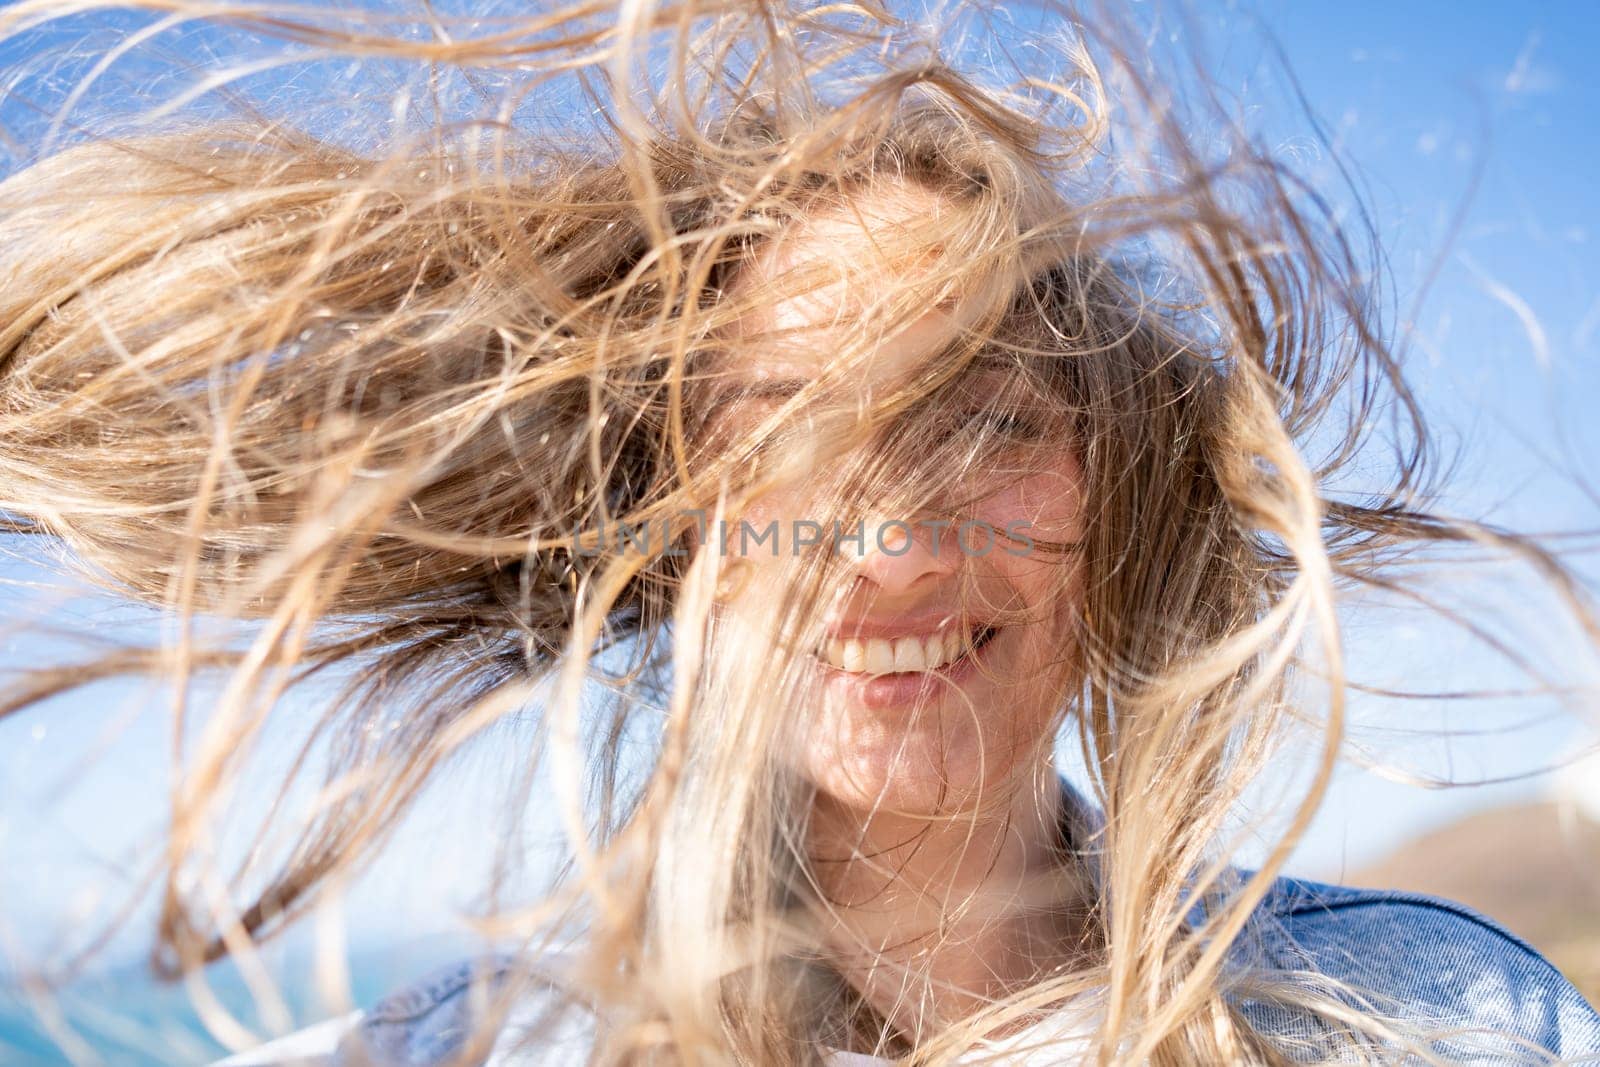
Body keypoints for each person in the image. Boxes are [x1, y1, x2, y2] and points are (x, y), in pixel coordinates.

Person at [0, 1, 1595, 1063]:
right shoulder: (469, 1048)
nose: (894, 543)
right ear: (678, 511)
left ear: (1116, 488)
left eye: (989, 419)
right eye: (791, 426)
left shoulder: (1429, 1020)